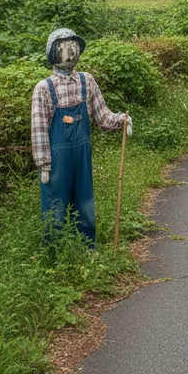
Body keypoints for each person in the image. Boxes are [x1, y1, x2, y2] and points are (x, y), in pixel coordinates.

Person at [32, 28, 132, 245]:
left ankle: (86, 246)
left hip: (82, 154)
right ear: (53, 52)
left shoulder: (87, 81)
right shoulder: (44, 88)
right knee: (55, 204)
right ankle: (55, 252)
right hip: (56, 160)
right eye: (63, 47)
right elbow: (38, 129)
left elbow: (102, 116)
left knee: (85, 200)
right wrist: (43, 164)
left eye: (73, 46)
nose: (70, 52)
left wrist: (121, 120)